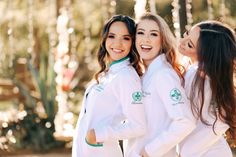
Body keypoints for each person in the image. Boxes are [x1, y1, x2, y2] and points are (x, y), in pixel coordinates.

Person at [72, 15, 147, 157]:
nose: (117, 43)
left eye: (125, 38)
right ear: (105, 39)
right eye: (112, 36)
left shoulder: (127, 77)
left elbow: (139, 126)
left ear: (133, 43)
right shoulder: (108, 72)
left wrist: (97, 135)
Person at [125, 13, 196, 157]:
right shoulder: (144, 75)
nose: (146, 39)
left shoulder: (164, 75)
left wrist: (149, 151)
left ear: (162, 40)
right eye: (141, 33)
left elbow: (185, 121)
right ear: (134, 38)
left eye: (153, 34)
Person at [178, 20, 236, 157]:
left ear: (205, 55)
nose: (182, 41)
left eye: (189, 44)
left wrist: (185, 152)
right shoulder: (200, 73)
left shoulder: (199, 75)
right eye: (187, 33)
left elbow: (221, 122)